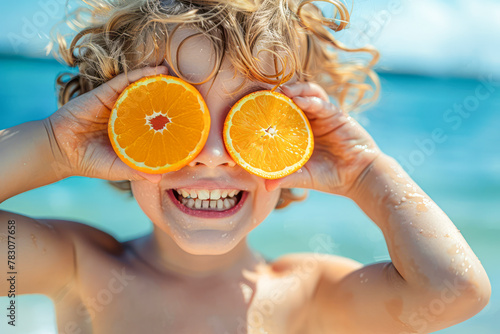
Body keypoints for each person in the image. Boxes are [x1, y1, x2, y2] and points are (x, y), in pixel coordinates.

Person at [0, 0, 490, 333]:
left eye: (255, 115)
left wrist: (364, 174)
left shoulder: (309, 293)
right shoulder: (79, 268)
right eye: (171, 113)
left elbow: (454, 289)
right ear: (116, 126)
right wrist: (53, 146)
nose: (213, 153)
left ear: (300, 135)